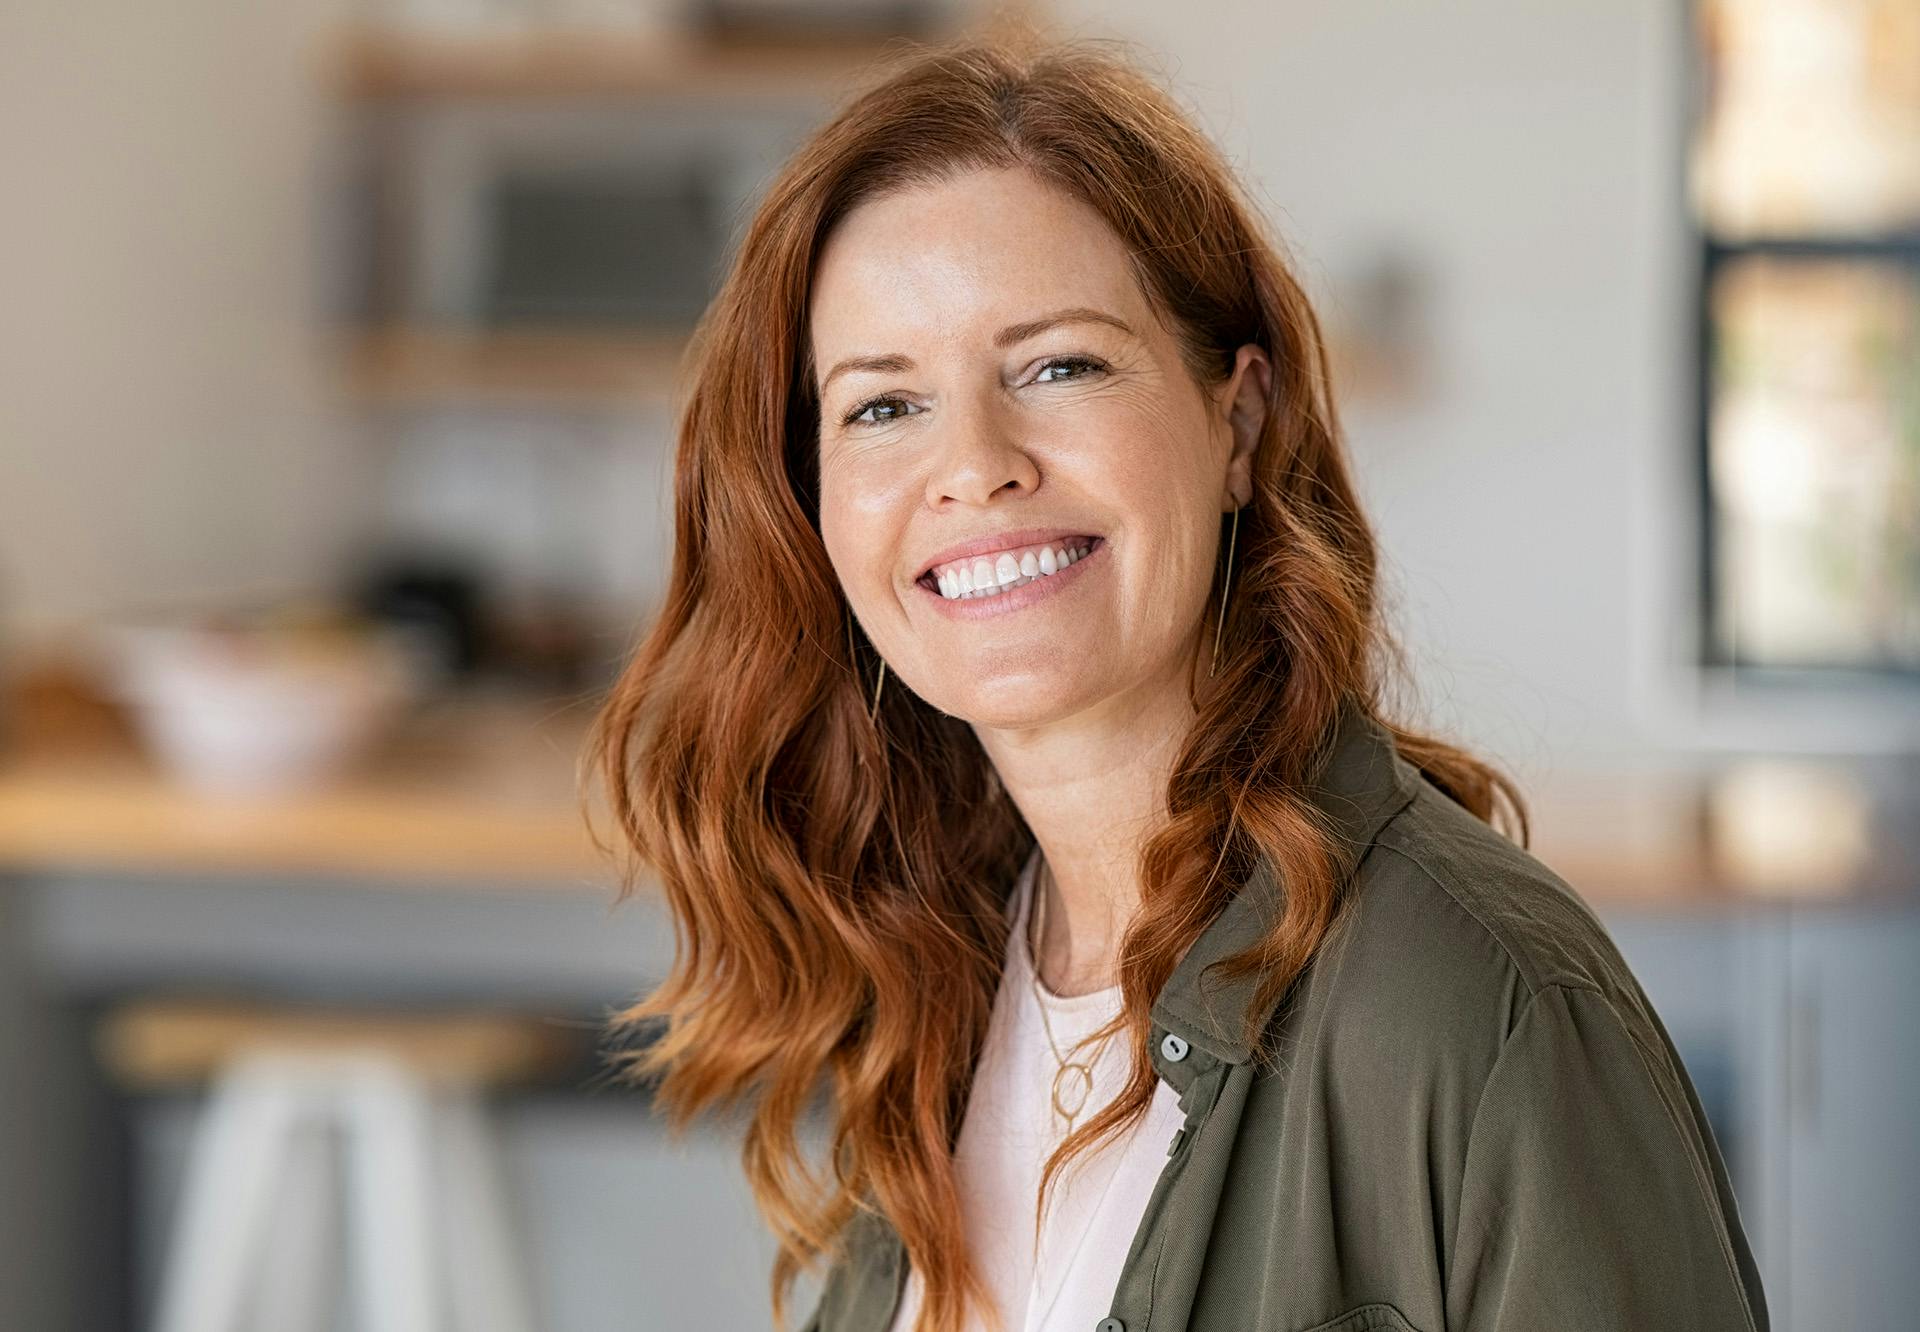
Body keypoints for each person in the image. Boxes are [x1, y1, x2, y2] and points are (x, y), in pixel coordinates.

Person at [581, 30, 1770, 1332]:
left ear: (1238, 421)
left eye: (1059, 366)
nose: (973, 464)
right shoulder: (931, 975)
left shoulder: (1480, 1012)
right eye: (881, 405)